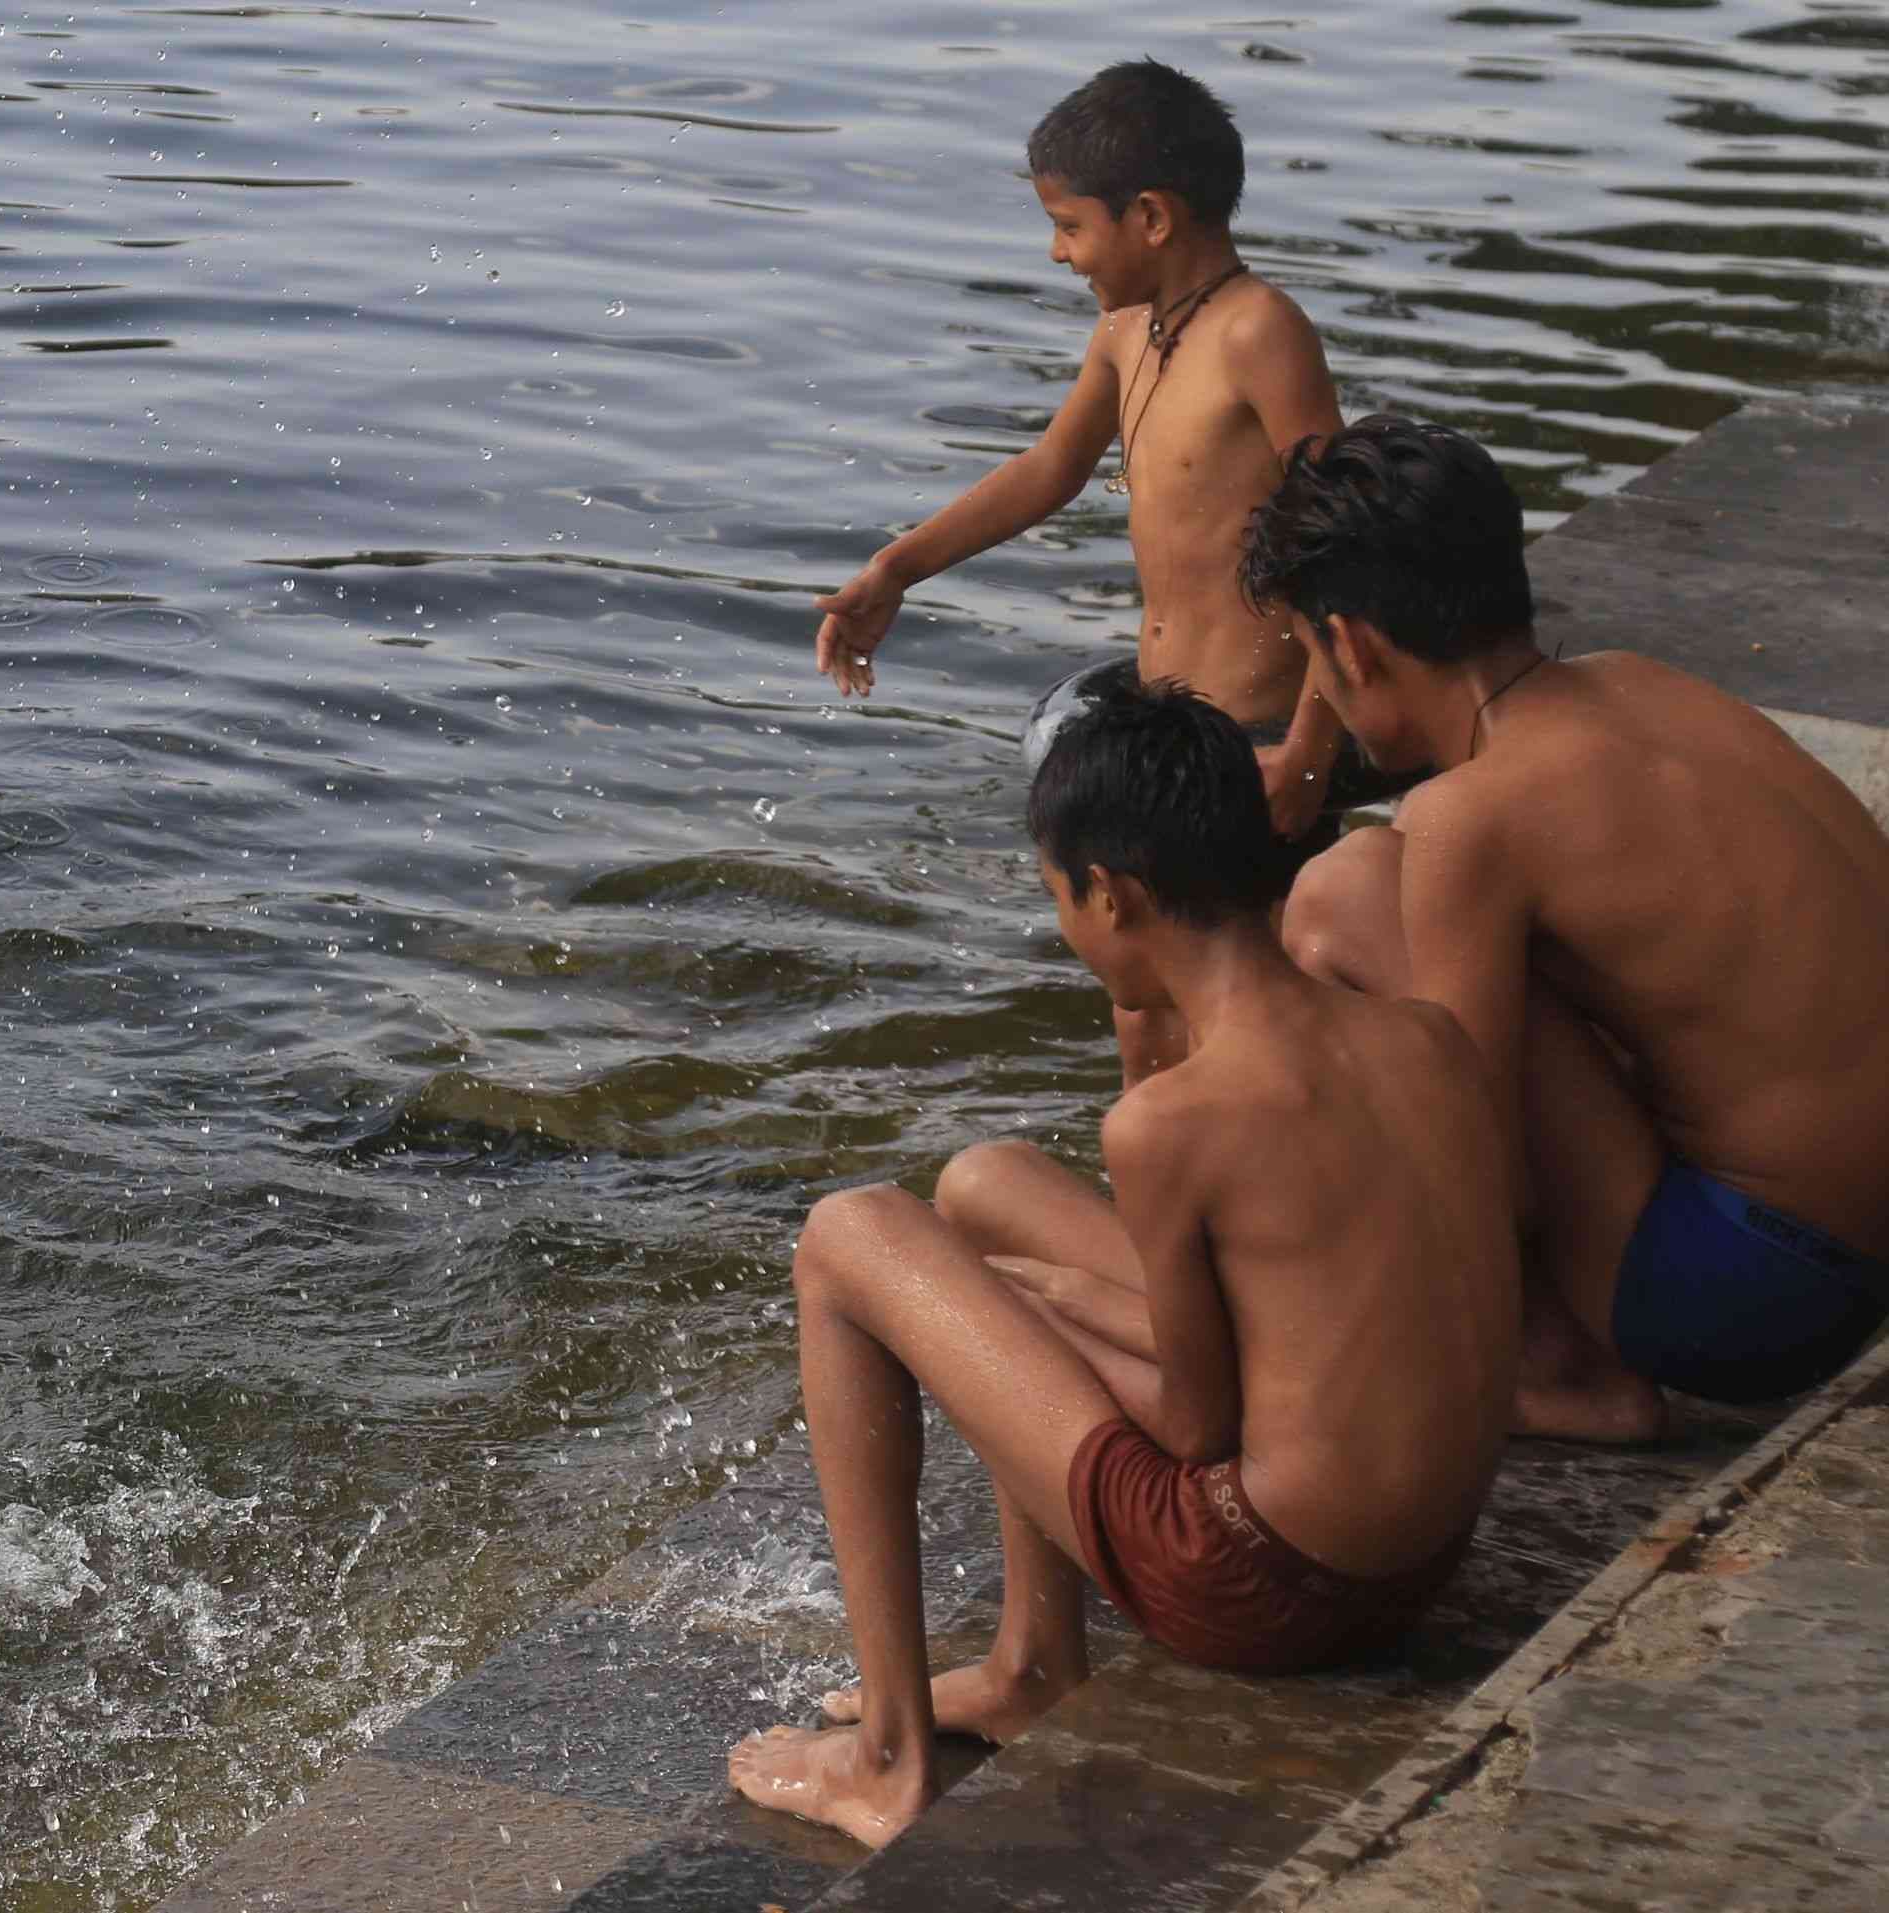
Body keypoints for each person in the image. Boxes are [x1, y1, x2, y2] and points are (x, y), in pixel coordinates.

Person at [725, 673, 1516, 1847]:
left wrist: (1034, 1320)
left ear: (1112, 892)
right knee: (984, 1184)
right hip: (1422, 1555)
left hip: (1272, 1584)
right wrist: (1038, 1303)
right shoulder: (1423, 1033)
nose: (1066, 927)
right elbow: (1308, 1331)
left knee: (851, 1234)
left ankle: (886, 1757)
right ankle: (1033, 1662)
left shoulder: (1169, 1122)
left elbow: (1199, 1429)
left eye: (1060, 898)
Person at [1264, 415, 1889, 1441]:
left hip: (1756, 1296)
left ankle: (1554, 1367)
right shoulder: (1639, 681)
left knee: (1345, 892)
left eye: (1307, 654)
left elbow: (1474, 1167)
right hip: (1853, 1250)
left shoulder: (1471, 817)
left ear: (1351, 644)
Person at [809, 58, 1367, 1081]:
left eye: (1070, 226)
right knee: (1145, 1000)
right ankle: (1155, 1196)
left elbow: (1340, 537)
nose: (1058, 252)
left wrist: (1311, 748)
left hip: (1253, 738)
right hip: (1168, 716)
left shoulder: (1260, 331)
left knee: (1246, 997)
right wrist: (897, 567)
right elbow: (1048, 468)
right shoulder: (1125, 334)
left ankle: (1258, 1189)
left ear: (1150, 215)